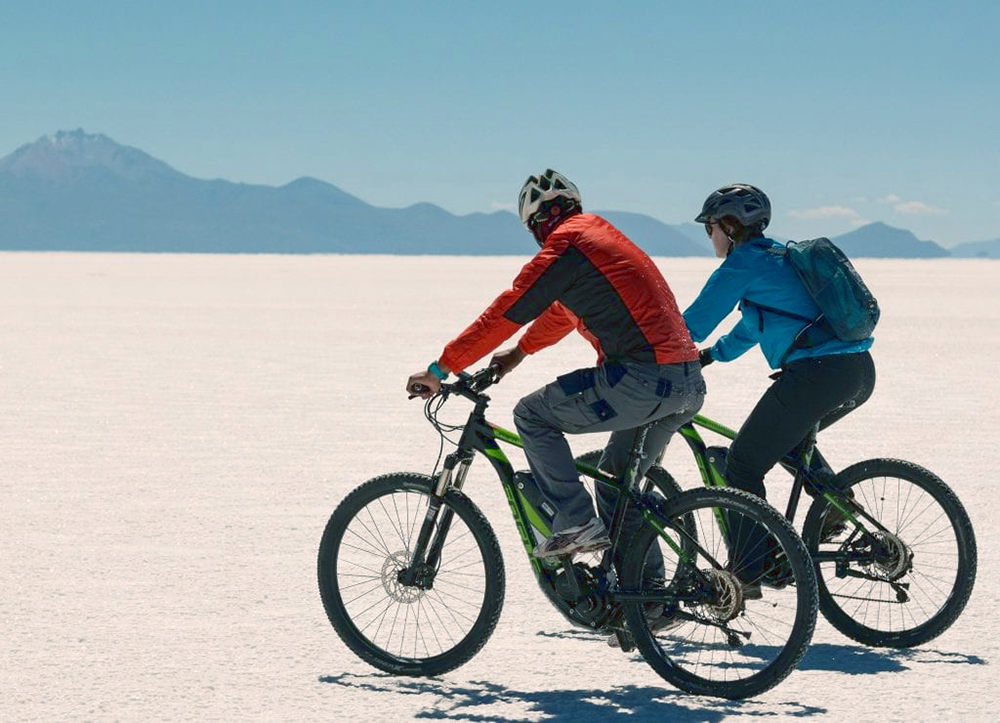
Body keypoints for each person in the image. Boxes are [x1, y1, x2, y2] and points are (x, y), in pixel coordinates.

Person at [406, 169, 705, 559]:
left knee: (532, 414)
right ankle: (646, 604)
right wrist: (518, 353)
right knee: (618, 487)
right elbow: (562, 314)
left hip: (641, 381)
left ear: (536, 223)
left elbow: (507, 310)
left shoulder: (568, 244)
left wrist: (440, 369)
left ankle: (576, 521)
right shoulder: (600, 236)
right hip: (686, 384)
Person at [682, 184, 875, 575]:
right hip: (857, 371)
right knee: (787, 443)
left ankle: (753, 565)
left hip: (816, 376)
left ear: (731, 227)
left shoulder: (743, 265)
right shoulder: (779, 259)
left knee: (741, 464)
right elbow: (754, 326)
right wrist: (711, 357)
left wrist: (655, 349)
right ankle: (836, 507)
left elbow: (692, 324)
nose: (710, 237)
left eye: (712, 228)